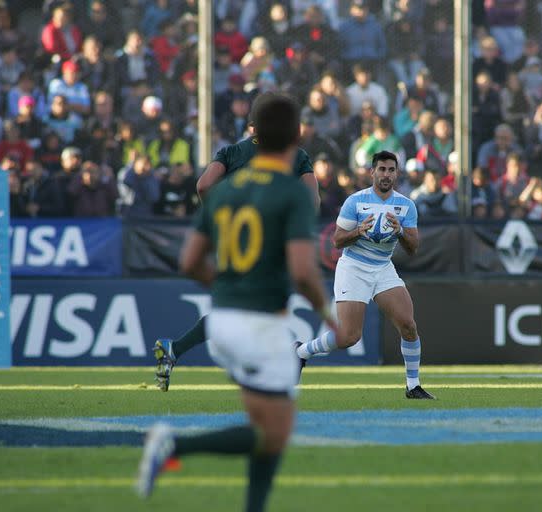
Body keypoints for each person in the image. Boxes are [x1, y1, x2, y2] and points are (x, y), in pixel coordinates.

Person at [136, 94, 335, 512]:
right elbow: (302, 271)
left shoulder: (225, 191)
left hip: (222, 321)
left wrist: (231, 281)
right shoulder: (292, 190)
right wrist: (327, 314)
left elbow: (189, 260)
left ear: (253, 130)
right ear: (295, 134)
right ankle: (172, 444)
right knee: (273, 433)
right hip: (260, 325)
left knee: (266, 429)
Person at [154, 93, 320, 391]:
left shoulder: (230, 151)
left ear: (252, 125)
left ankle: (175, 349)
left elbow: (204, 185)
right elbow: (312, 200)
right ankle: (286, 355)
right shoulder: (294, 154)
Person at [295, 150, 435, 400]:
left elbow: (413, 248)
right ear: (372, 172)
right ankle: (301, 352)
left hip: (383, 267)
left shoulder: (405, 205)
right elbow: (337, 241)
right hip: (354, 267)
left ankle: (413, 386)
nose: (386, 174)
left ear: (397, 173)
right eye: (381, 169)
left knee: (408, 325)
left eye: (391, 170)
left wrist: (400, 230)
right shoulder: (355, 201)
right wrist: (359, 230)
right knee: (349, 336)